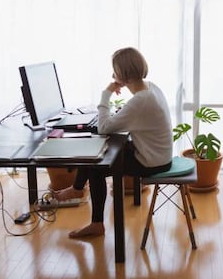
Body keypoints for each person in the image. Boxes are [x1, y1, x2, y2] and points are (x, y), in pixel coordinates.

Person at [54, 47, 173, 238]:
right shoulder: (150, 87)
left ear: (124, 75)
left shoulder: (140, 100)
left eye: (115, 71)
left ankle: (96, 223)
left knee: (96, 166)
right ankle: (77, 189)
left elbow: (103, 127)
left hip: (151, 162)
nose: (112, 75)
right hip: (157, 154)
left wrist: (106, 94)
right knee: (96, 151)